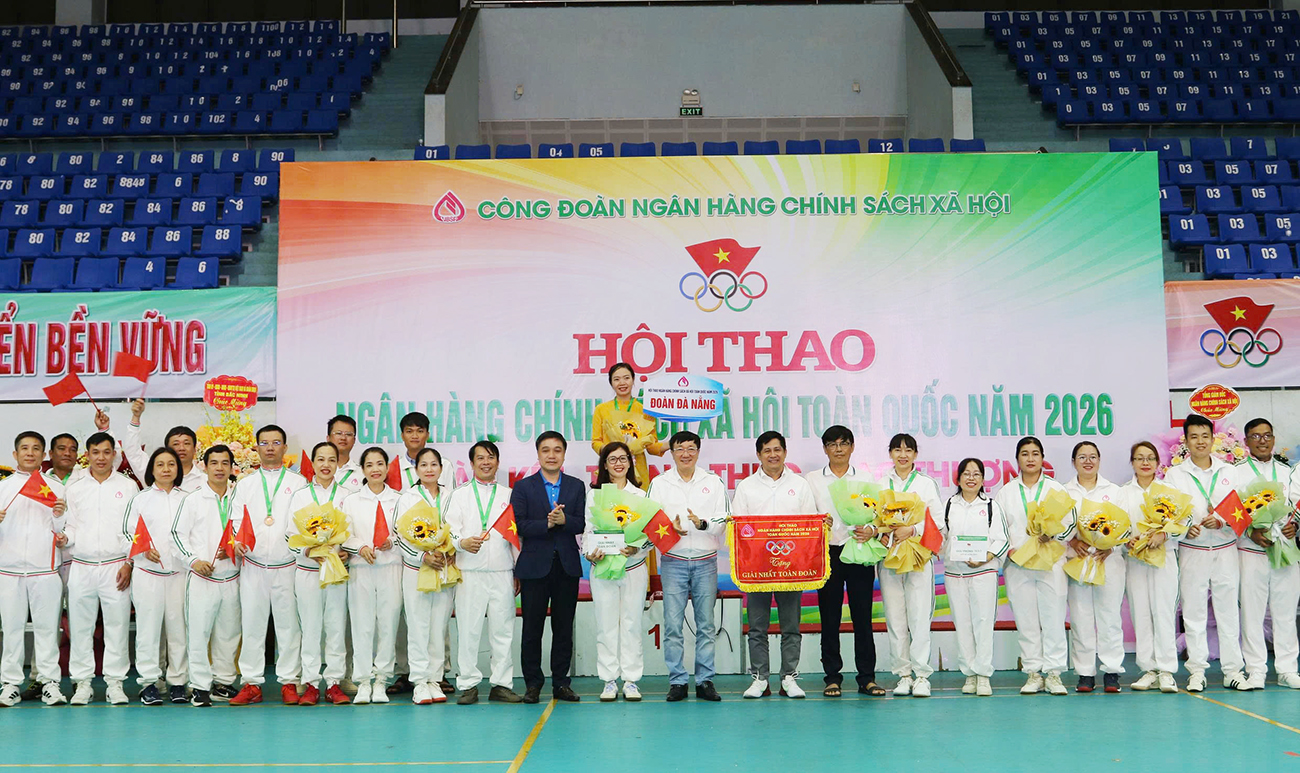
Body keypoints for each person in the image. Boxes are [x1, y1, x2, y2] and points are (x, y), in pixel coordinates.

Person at [1163, 414, 1246, 693]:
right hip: (1193, 551)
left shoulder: (1229, 471)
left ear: (1213, 439)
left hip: (1225, 550)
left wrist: (1221, 521)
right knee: (1193, 611)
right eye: (1194, 437)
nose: (1200, 442)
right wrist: (1186, 529)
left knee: (1228, 611)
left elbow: (1242, 510)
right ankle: (1197, 671)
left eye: (1205, 436)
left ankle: (1233, 671)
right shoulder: (1175, 475)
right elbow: (1169, 513)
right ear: (1186, 441)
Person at [732, 431, 818, 700]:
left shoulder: (800, 485)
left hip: (791, 568)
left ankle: (789, 677)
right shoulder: (746, 487)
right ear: (759, 455)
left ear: (785, 452)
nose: (773, 455)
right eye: (767, 450)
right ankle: (760, 678)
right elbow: (737, 525)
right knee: (757, 627)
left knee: (790, 626)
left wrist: (821, 525)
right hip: (756, 568)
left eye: (777, 449)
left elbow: (810, 524)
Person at [646, 430, 728, 702]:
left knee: (706, 624)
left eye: (691, 448)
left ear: (698, 452)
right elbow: (649, 521)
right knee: (672, 625)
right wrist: (671, 529)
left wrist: (702, 524)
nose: (686, 454)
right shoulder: (659, 483)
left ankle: (705, 680)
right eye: (680, 449)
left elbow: (724, 520)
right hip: (673, 562)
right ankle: (678, 681)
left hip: (706, 561)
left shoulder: (713, 482)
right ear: (671, 453)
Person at [802, 425, 882, 698]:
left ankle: (867, 678)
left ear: (852, 447)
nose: (838, 449)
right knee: (829, 618)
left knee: (863, 617)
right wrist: (817, 522)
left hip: (859, 550)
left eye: (844, 443)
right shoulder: (812, 479)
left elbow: (877, 515)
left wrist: (871, 530)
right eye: (833, 444)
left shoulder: (866, 478)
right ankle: (832, 677)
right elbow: (805, 515)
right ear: (825, 449)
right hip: (828, 553)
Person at [993, 436, 1076, 696]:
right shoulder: (1006, 492)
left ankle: (1054, 674)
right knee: (1026, 620)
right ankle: (1033, 673)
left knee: (1053, 618)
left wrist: (1053, 535)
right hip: (1019, 564)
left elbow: (1070, 524)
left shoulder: (1056, 489)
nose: (1030, 458)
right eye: (1025, 454)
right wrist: (1009, 550)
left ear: (1042, 458)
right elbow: (998, 528)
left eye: (1035, 453)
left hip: (1051, 564)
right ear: (1017, 459)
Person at [229, 424, 306, 706]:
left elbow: (304, 521)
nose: (270, 447)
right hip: (254, 564)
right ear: (256, 448)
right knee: (252, 624)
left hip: (288, 565)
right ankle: (251, 683)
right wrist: (237, 541)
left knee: (289, 627)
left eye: (276, 443)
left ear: (285, 448)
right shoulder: (245, 484)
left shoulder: (299, 483)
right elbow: (235, 520)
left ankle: (289, 682)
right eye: (264, 443)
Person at [63, 431, 139, 706]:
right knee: (80, 628)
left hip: (115, 566)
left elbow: (134, 529)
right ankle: (82, 683)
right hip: (82, 566)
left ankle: (115, 683)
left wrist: (129, 563)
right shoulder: (75, 487)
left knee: (117, 627)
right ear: (87, 455)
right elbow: (71, 526)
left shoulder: (128, 487)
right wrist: (64, 539)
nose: (101, 458)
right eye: (95, 452)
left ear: (114, 455)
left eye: (107, 452)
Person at [445, 441, 523, 705]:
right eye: (480, 458)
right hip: (469, 572)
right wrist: (461, 543)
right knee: (469, 630)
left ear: (498, 462)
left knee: (503, 630)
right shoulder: (459, 495)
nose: (486, 462)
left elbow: (517, 538)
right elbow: (448, 531)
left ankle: (501, 684)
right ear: (472, 463)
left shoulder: (510, 495)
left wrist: (518, 570)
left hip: (502, 571)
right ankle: (468, 684)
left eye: (490, 457)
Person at [513, 431, 586, 704]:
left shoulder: (576, 486)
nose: (551, 455)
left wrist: (564, 520)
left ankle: (561, 684)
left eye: (557, 450)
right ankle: (533, 684)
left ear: (564, 454)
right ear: (538, 454)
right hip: (534, 567)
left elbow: (581, 522)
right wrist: (547, 523)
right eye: (546, 450)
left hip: (566, 566)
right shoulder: (523, 487)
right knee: (532, 628)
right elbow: (519, 525)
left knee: (563, 628)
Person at [0, 432, 68, 706]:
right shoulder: (3, 487)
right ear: (15, 454)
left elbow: (65, 532)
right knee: (11, 630)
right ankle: (10, 684)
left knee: (47, 630)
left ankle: (50, 683)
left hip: (45, 571)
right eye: (25, 448)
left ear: (44, 455)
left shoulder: (57, 488)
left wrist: (59, 516)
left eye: (36, 448)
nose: (30, 453)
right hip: (8, 571)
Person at [171, 445, 241, 706]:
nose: (219, 468)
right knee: (198, 634)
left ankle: (223, 682)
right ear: (205, 466)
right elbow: (177, 535)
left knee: (229, 633)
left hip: (232, 576)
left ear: (232, 468)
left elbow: (247, 532)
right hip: (202, 577)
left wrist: (235, 549)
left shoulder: (239, 499)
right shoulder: (193, 499)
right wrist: (194, 561)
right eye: (214, 463)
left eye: (225, 463)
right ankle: (200, 686)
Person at [285, 441, 352, 706]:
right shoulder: (300, 496)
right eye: (320, 459)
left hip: (336, 571)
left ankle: (334, 683)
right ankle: (311, 684)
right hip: (308, 571)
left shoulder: (347, 496)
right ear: (312, 463)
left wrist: (347, 552)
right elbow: (290, 536)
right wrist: (308, 552)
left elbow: (354, 532)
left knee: (336, 627)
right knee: (310, 628)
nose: (326, 465)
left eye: (331, 460)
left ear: (337, 464)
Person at [585, 441, 650, 702]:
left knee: (632, 624)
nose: (618, 463)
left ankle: (631, 680)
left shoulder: (641, 496)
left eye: (623, 458)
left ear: (630, 463)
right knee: (606, 625)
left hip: (633, 569)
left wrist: (637, 548)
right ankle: (609, 680)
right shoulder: (595, 495)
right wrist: (590, 552)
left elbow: (650, 537)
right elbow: (588, 531)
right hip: (602, 568)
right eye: (612, 459)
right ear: (604, 464)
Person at [123, 447, 190, 705]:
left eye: (171, 464)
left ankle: (178, 682)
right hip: (147, 574)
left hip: (180, 574)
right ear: (152, 469)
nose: (166, 469)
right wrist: (142, 552)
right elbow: (126, 534)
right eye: (160, 464)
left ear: (178, 469)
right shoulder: (140, 499)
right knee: (148, 631)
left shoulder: (188, 499)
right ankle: (149, 683)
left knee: (179, 631)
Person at [879, 433, 942, 698]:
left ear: (915, 454)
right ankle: (903, 675)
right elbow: (872, 518)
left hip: (918, 558)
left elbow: (939, 520)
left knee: (919, 616)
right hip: (890, 558)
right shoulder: (881, 483)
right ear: (890, 454)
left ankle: (922, 676)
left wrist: (913, 529)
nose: (902, 455)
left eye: (908, 450)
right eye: (897, 450)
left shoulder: (926, 484)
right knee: (895, 618)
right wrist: (881, 534)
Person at [939, 459, 1008, 697]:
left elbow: (1002, 540)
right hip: (955, 573)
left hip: (984, 572)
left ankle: (983, 675)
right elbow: (941, 537)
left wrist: (984, 557)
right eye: (966, 474)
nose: (971, 478)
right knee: (963, 624)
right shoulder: (949, 505)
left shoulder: (991, 506)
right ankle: (969, 674)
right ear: (958, 479)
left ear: (982, 479)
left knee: (983, 622)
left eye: (976, 474)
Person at [1063, 441, 1127, 693]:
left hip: (1108, 561)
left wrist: (1111, 546)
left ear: (1099, 460)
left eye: (1092, 457)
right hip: (1077, 560)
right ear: (1073, 462)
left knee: (1110, 617)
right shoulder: (1064, 492)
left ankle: (1112, 671)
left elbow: (1126, 527)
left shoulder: (1114, 491)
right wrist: (1072, 541)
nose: (1087, 461)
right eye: (1082, 457)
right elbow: (1058, 526)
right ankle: (1085, 673)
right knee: (1081, 618)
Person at [1240, 418, 1300, 690]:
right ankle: (1255, 670)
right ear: (1246, 441)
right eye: (1256, 436)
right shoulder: (1236, 472)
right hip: (1250, 551)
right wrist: (1249, 531)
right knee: (1251, 613)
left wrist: (1295, 525)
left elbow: (1295, 505)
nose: (1262, 441)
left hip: (1285, 551)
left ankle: (1287, 669)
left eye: (1267, 436)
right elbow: (1230, 510)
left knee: (1285, 612)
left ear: (1274, 439)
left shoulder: (1289, 472)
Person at [394, 447, 457, 705]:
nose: (429, 469)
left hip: (443, 569)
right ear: (416, 470)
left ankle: (435, 678)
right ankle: (419, 681)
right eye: (424, 465)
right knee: (418, 626)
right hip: (417, 570)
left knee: (439, 626)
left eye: (434, 464)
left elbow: (459, 529)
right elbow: (399, 535)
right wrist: (422, 556)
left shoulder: (452, 497)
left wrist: (452, 551)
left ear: (441, 468)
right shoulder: (408, 498)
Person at [342, 447, 402, 704]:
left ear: (387, 468)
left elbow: (407, 533)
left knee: (388, 625)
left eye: (380, 464)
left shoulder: (400, 499)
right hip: (361, 568)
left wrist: (392, 541)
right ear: (363, 470)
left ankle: (381, 681)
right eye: (369, 465)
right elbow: (344, 534)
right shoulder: (351, 501)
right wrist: (359, 547)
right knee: (362, 625)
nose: (375, 469)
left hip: (391, 568)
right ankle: (363, 681)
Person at [1122, 441, 1183, 694]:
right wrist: (1127, 540)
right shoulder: (1123, 493)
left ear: (1158, 463)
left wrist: (1164, 535)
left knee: (1164, 612)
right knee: (1141, 613)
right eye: (1139, 458)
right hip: (1136, 560)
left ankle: (1167, 670)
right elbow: (1117, 526)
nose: (1145, 463)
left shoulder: (1169, 490)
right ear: (1132, 463)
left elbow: (1184, 521)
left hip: (1164, 558)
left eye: (1150, 458)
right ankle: (1148, 669)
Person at [590, 362, 666, 485]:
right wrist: (613, 452)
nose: (622, 383)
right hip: (612, 467)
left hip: (638, 468)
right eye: (616, 379)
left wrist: (671, 444)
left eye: (626, 378)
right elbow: (596, 442)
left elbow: (651, 446)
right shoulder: (601, 409)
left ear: (633, 379)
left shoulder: (645, 410)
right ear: (611, 383)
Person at [118, 399, 206, 491]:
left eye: (186, 443)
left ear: (195, 449)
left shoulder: (206, 480)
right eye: (176, 444)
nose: (181, 448)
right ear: (167, 450)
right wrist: (136, 417)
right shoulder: (153, 473)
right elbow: (133, 452)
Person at [328, 415, 365, 491]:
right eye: (338, 433)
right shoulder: (316, 470)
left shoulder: (363, 474)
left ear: (354, 440)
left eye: (348, 434)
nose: (343, 438)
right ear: (328, 438)